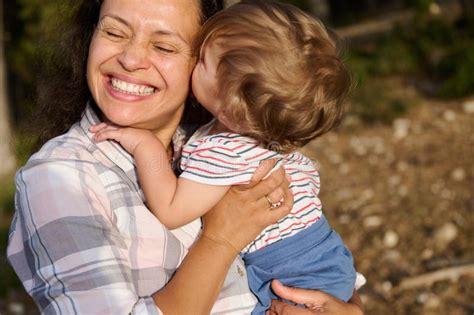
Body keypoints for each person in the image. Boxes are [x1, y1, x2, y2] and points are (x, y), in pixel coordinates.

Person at [7, 0, 364, 314]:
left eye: (163, 45)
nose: (131, 59)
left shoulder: (216, 143)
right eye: (114, 32)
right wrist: (220, 240)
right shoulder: (59, 177)